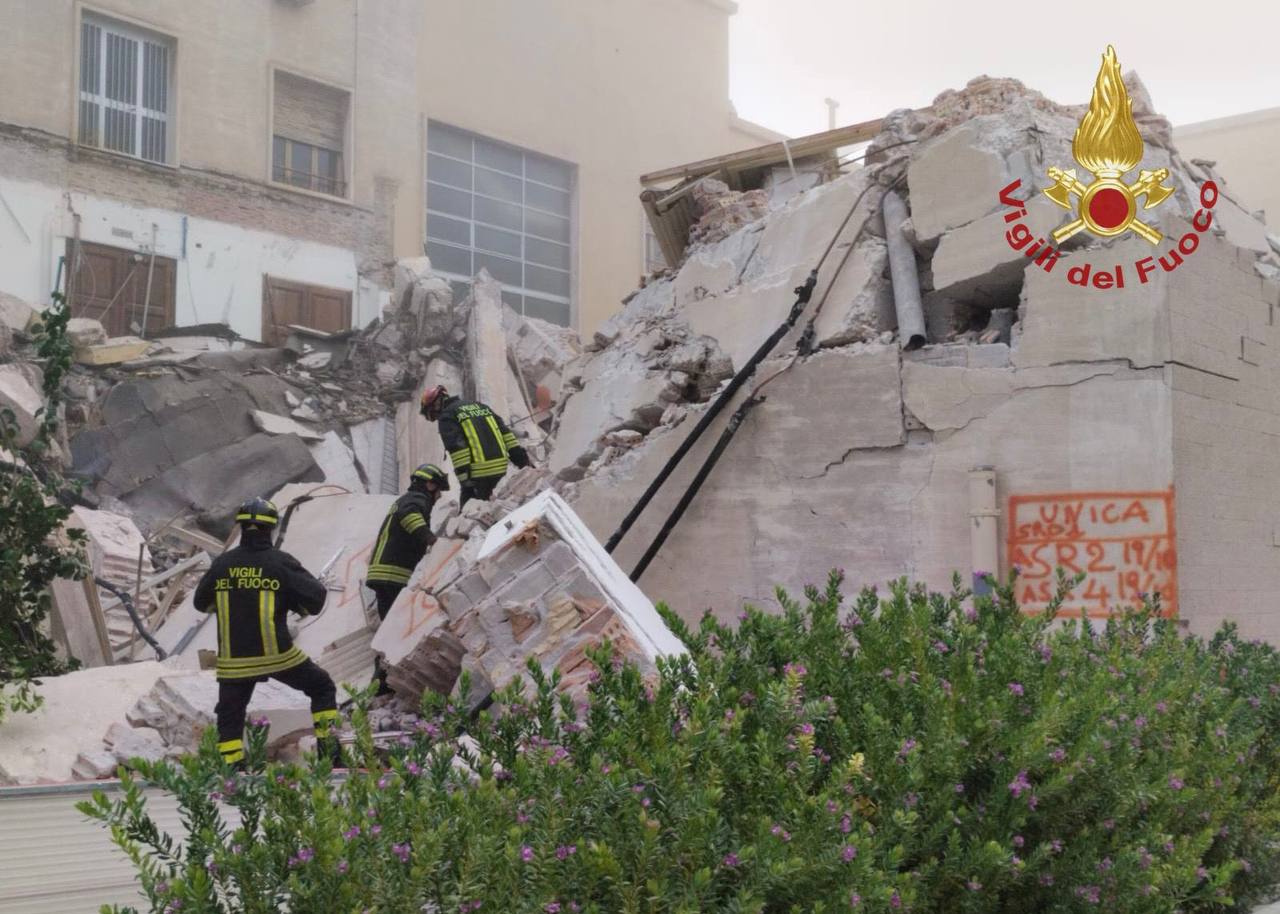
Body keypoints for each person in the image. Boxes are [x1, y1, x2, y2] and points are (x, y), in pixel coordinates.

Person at [193, 497, 341, 768]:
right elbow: (316, 597)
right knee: (322, 687)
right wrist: (290, 600)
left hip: (233, 661)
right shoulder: (279, 563)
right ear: (271, 529)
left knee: (230, 713)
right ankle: (330, 755)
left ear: (240, 527)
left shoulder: (222, 564)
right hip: (277, 656)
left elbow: (200, 603)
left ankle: (233, 769)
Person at [365, 463, 448, 695]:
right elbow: (409, 517)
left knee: (388, 628)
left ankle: (382, 682)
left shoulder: (404, 498)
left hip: (382, 573)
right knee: (394, 629)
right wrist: (431, 540)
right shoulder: (416, 500)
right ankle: (381, 684)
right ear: (429, 484)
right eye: (438, 489)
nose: (439, 496)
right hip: (393, 574)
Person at [419, 385, 531, 505]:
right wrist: (523, 461)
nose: (436, 417)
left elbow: (458, 451)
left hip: (480, 474)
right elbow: (507, 435)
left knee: (469, 513)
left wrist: (466, 485)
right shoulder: (480, 406)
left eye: (432, 413)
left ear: (436, 404)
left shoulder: (447, 416)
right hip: (502, 470)